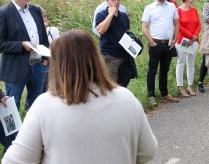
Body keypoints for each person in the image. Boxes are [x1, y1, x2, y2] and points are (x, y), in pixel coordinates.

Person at [2, 30, 158, 164]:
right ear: (96, 59)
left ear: (57, 65)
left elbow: (14, 161)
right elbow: (147, 151)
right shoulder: (126, 98)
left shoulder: (44, 106)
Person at [0, 0, 49, 111]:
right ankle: (14, 133)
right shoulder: (3, 13)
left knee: (37, 107)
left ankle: (35, 132)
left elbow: (44, 39)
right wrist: (21, 45)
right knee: (12, 108)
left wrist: (45, 60)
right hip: (15, 68)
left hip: (39, 67)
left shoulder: (36, 10)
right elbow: (1, 43)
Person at [142, 0, 180, 106]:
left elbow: (176, 24)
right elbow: (144, 27)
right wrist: (151, 42)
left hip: (168, 44)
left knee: (165, 69)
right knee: (152, 70)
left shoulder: (171, 6)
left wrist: (175, 39)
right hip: (155, 44)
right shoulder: (149, 8)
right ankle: (151, 95)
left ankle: (164, 93)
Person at [95, 0, 131, 86]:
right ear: (107, 1)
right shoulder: (101, 15)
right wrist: (110, 14)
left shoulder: (124, 16)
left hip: (124, 56)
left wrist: (133, 40)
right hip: (109, 56)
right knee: (110, 87)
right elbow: (100, 30)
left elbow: (127, 32)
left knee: (123, 84)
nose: (116, 2)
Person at [175, 0, 201, 97]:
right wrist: (191, 36)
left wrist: (195, 36)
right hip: (182, 41)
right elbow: (179, 26)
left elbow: (199, 24)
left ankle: (190, 86)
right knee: (181, 63)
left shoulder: (194, 10)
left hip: (193, 41)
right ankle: (180, 87)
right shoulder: (178, 10)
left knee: (191, 63)